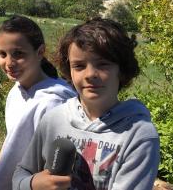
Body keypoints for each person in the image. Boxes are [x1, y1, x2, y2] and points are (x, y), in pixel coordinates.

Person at [12, 18, 160, 190]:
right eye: (79, 66)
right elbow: (21, 174)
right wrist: (31, 184)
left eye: (103, 64)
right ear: (70, 71)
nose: (90, 74)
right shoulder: (53, 119)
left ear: (122, 69)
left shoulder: (139, 135)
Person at [0, 15, 77, 190]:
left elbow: (58, 168)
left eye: (18, 54)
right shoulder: (16, 92)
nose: (9, 63)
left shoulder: (54, 102)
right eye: (2, 54)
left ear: (40, 52)